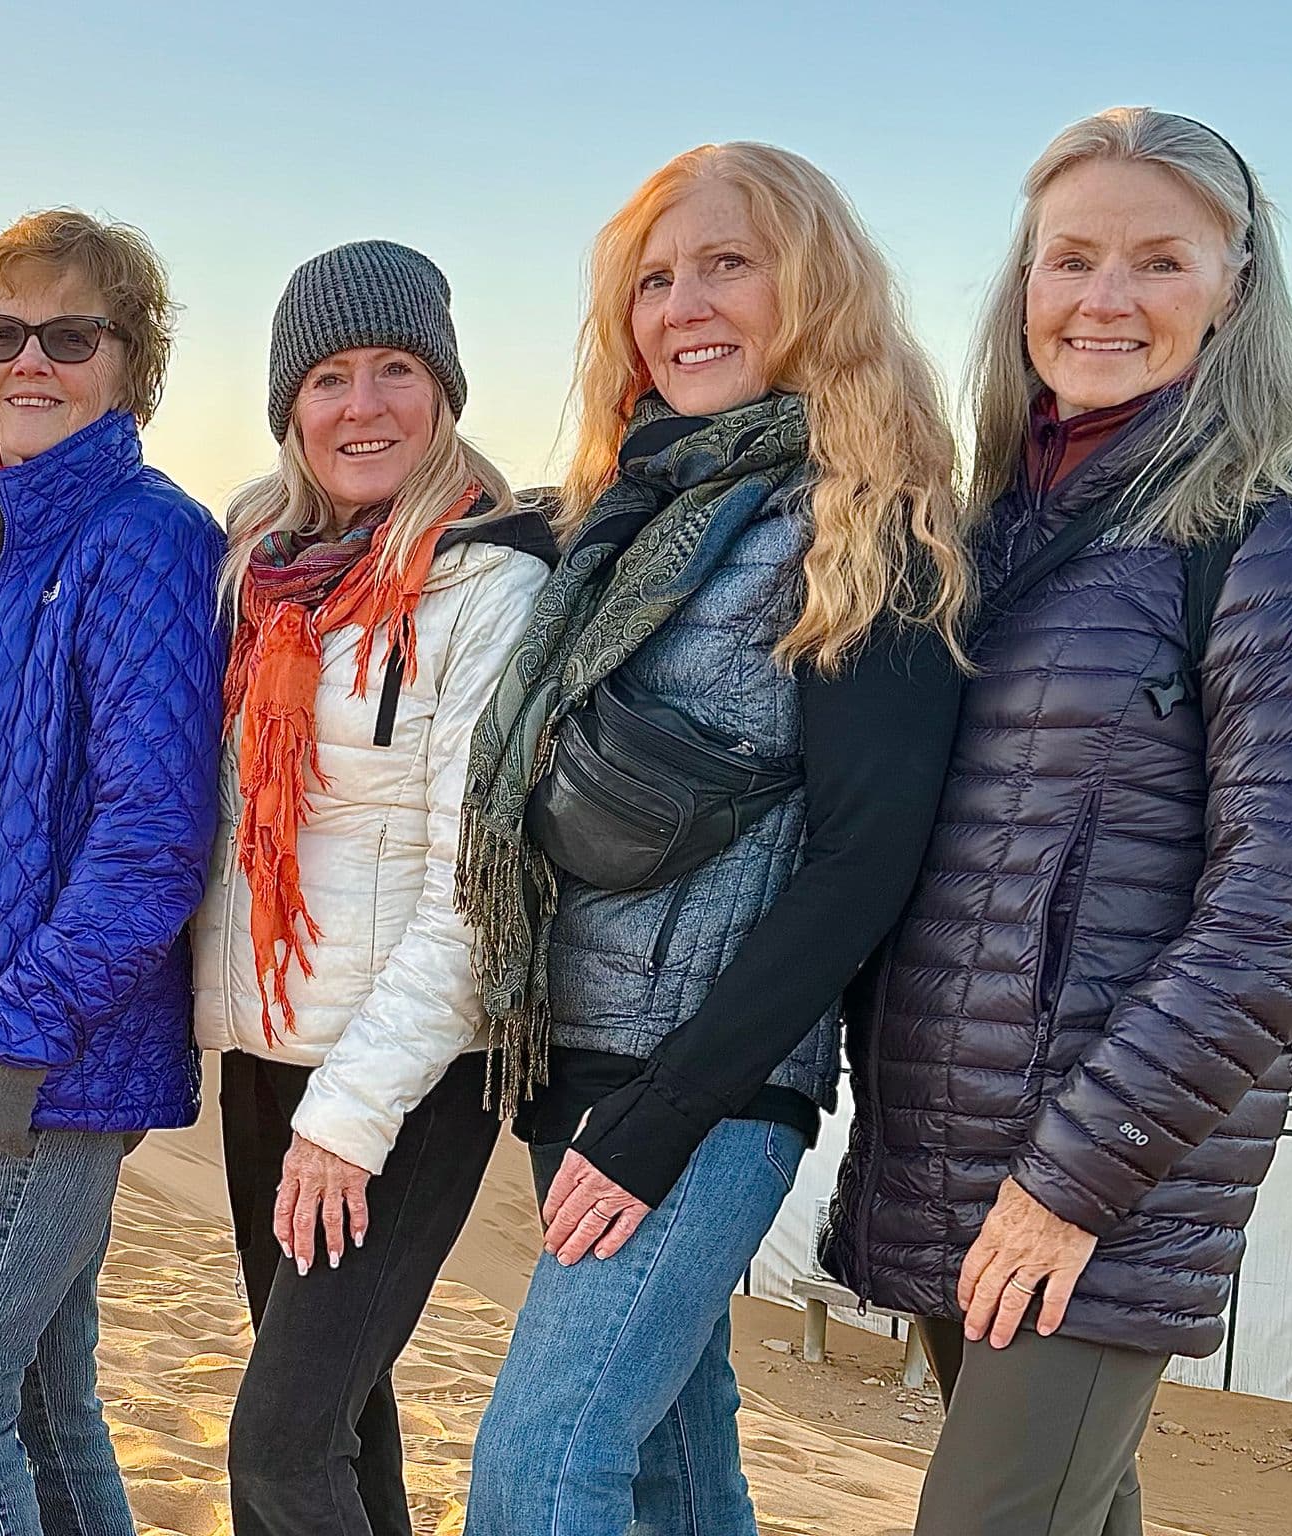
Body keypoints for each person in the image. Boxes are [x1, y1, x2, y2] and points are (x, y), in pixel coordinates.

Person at [821, 108, 1292, 1536]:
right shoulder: (997, 521)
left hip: (1108, 1176)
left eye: (1159, 261)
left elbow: (1283, 910)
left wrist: (1071, 1185)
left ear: (1238, 285)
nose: (1102, 299)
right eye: (1068, 257)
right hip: (959, 1144)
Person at [459, 143, 974, 1535]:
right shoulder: (632, 513)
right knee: (682, 1476)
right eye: (653, 280)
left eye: (728, 264)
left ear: (814, 287)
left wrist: (656, 1126)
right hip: (568, 1055)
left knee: (535, 1470)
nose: (683, 304)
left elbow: (864, 865)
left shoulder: (869, 526)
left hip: (700, 1092)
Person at [192, 240, 553, 1535]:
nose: (363, 405)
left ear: (444, 389)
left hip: (405, 1075)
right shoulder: (261, 571)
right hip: (263, 1051)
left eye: (395, 368)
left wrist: (347, 1117)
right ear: (290, 405)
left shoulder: (493, 582)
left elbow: (477, 887)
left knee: (280, 1451)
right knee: (343, 1422)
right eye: (330, 376)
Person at [0, 209, 226, 1536]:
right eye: (0, 333)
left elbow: (153, 838)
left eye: (70, 335)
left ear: (128, 362)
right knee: (32, 1396)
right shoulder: (9, 539)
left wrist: (16, 1039)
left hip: (44, 1059)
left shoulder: (138, 534)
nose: (31, 361)